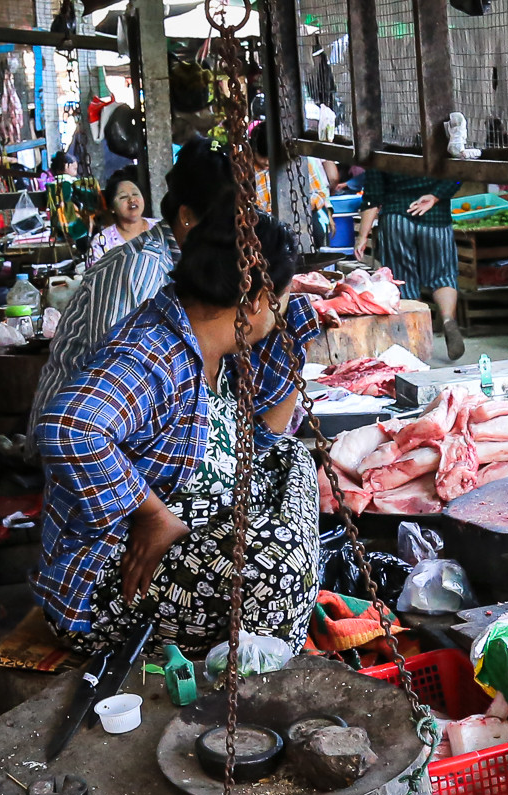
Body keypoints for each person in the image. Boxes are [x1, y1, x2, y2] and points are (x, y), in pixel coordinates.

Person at [34, 208, 329, 653]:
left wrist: (291, 333)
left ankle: (271, 621)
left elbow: (257, 439)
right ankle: (256, 660)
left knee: (293, 460)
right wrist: (151, 516)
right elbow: (68, 427)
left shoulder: (213, 343)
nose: (282, 312)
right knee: (281, 566)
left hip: (198, 525)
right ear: (253, 302)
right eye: (281, 301)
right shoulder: (155, 354)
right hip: (110, 580)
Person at [29, 138, 231, 430]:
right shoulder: (140, 269)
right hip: (80, 438)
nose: (230, 235)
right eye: (222, 222)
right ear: (186, 217)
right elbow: (112, 385)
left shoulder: (188, 261)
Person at [353, 170, 465, 360]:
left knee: (404, 282)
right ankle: (447, 319)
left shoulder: (380, 150)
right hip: (435, 219)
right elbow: (457, 175)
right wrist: (436, 196)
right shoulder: (440, 145)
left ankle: (416, 338)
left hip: (397, 220)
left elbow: (372, 197)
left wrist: (363, 236)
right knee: (443, 275)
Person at [248, 121, 333, 248]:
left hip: (300, 225)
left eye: (270, 157)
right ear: (253, 151)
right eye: (262, 157)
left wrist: (297, 207)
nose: (266, 162)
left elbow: (320, 194)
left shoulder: (300, 162)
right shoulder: (247, 170)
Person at [88, 168, 159, 264]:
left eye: (135, 194)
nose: (132, 199)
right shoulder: (102, 242)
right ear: (112, 207)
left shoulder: (160, 228)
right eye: (123, 197)